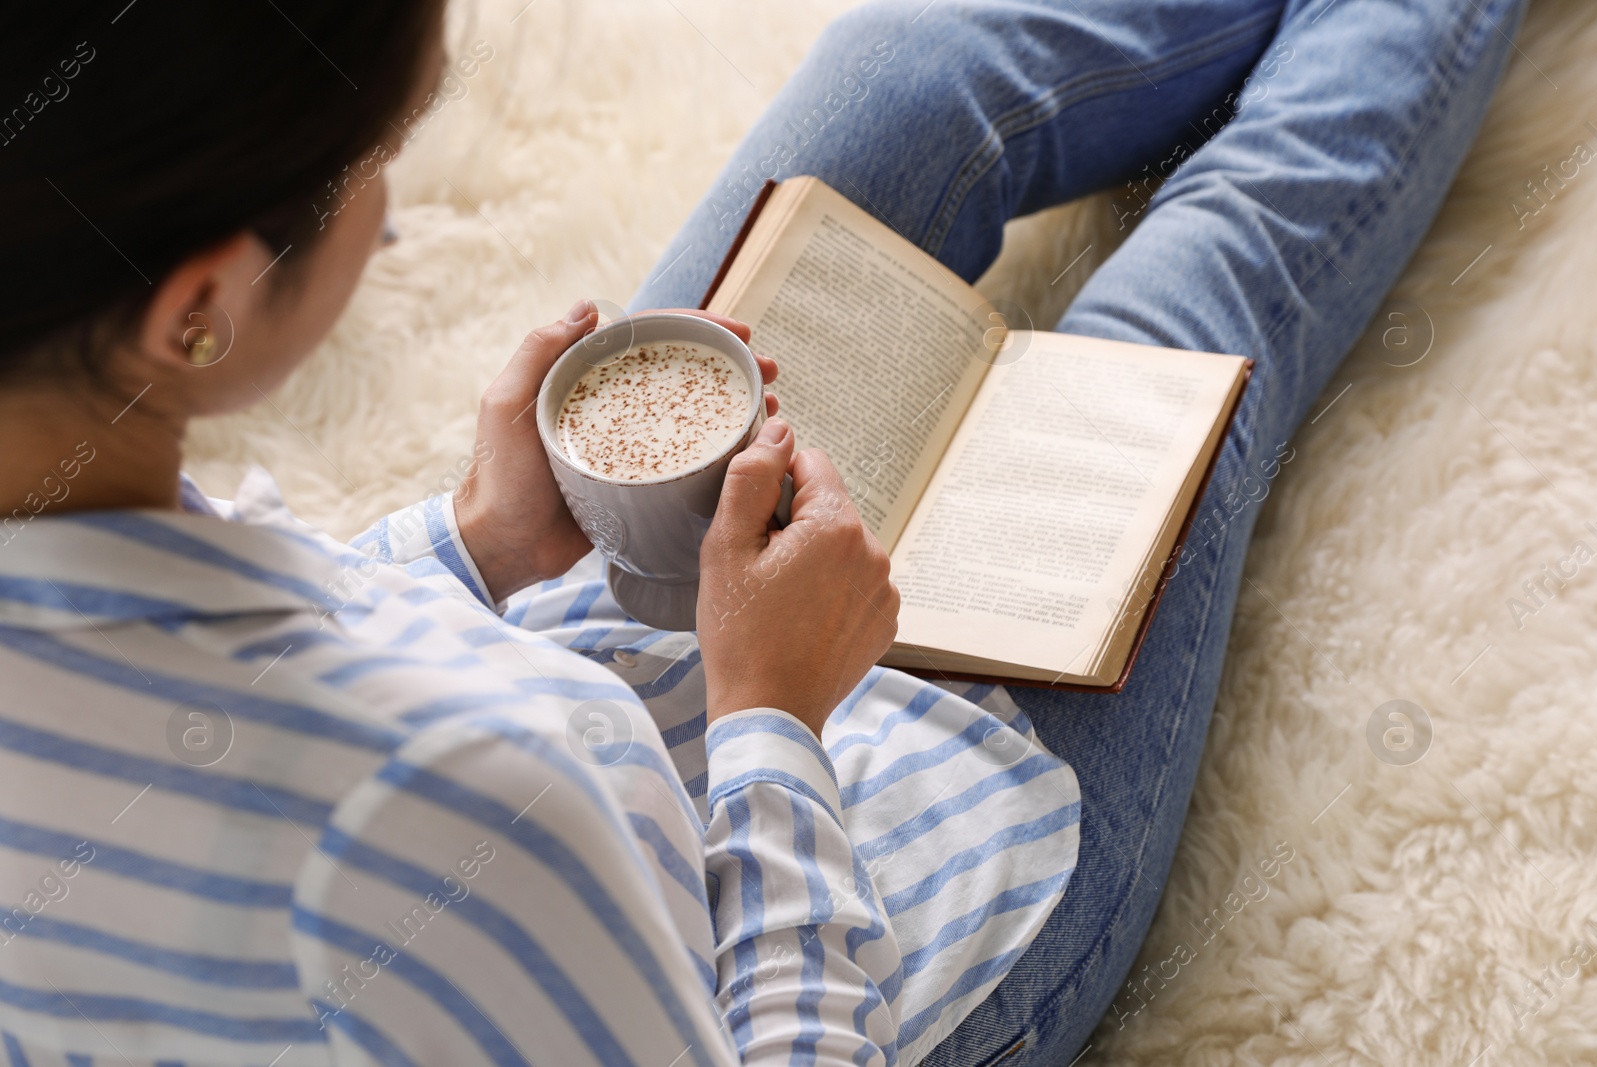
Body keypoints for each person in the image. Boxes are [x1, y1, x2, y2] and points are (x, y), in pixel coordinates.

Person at [0, 3, 1520, 1067]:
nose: (395, 218)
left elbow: (242, 644)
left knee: (901, 78)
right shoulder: (447, 816)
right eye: (372, 166)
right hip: (863, 931)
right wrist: (775, 715)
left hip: (588, 708)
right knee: (1198, 289)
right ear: (193, 312)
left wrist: (470, 548)